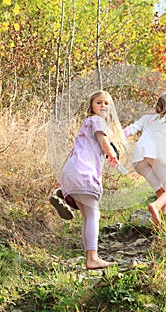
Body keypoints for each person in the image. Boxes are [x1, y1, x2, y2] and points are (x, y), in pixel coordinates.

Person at [50, 90, 126, 269]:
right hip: (83, 173)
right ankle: (92, 258)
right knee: (93, 214)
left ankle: (90, 257)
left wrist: (61, 179)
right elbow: (104, 141)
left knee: (87, 216)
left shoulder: (86, 125)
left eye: (107, 103)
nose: (103, 106)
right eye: (99, 102)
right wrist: (112, 153)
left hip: (71, 172)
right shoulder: (97, 122)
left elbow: (72, 153)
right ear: (91, 106)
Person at [123, 91, 166, 229]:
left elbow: (130, 130)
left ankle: (161, 225)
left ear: (158, 105)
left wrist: (115, 138)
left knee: (162, 191)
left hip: (139, 158)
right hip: (158, 157)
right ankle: (155, 206)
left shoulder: (147, 118)